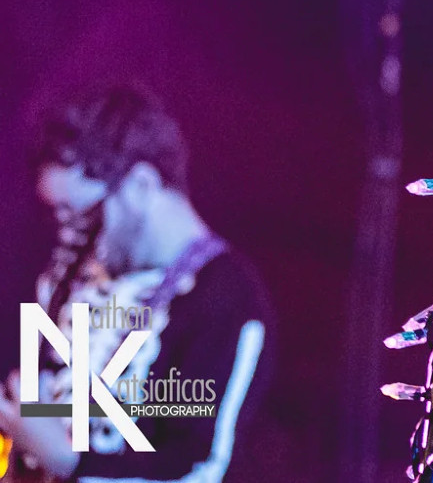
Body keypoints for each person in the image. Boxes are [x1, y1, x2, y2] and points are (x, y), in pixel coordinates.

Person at [0, 87, 273, 481]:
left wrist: (70, 462)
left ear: (142, 185)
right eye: (59, 217)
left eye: (84, 216)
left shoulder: (225, 300)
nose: (70, 237)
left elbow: (199, 470)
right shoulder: (71, 270)